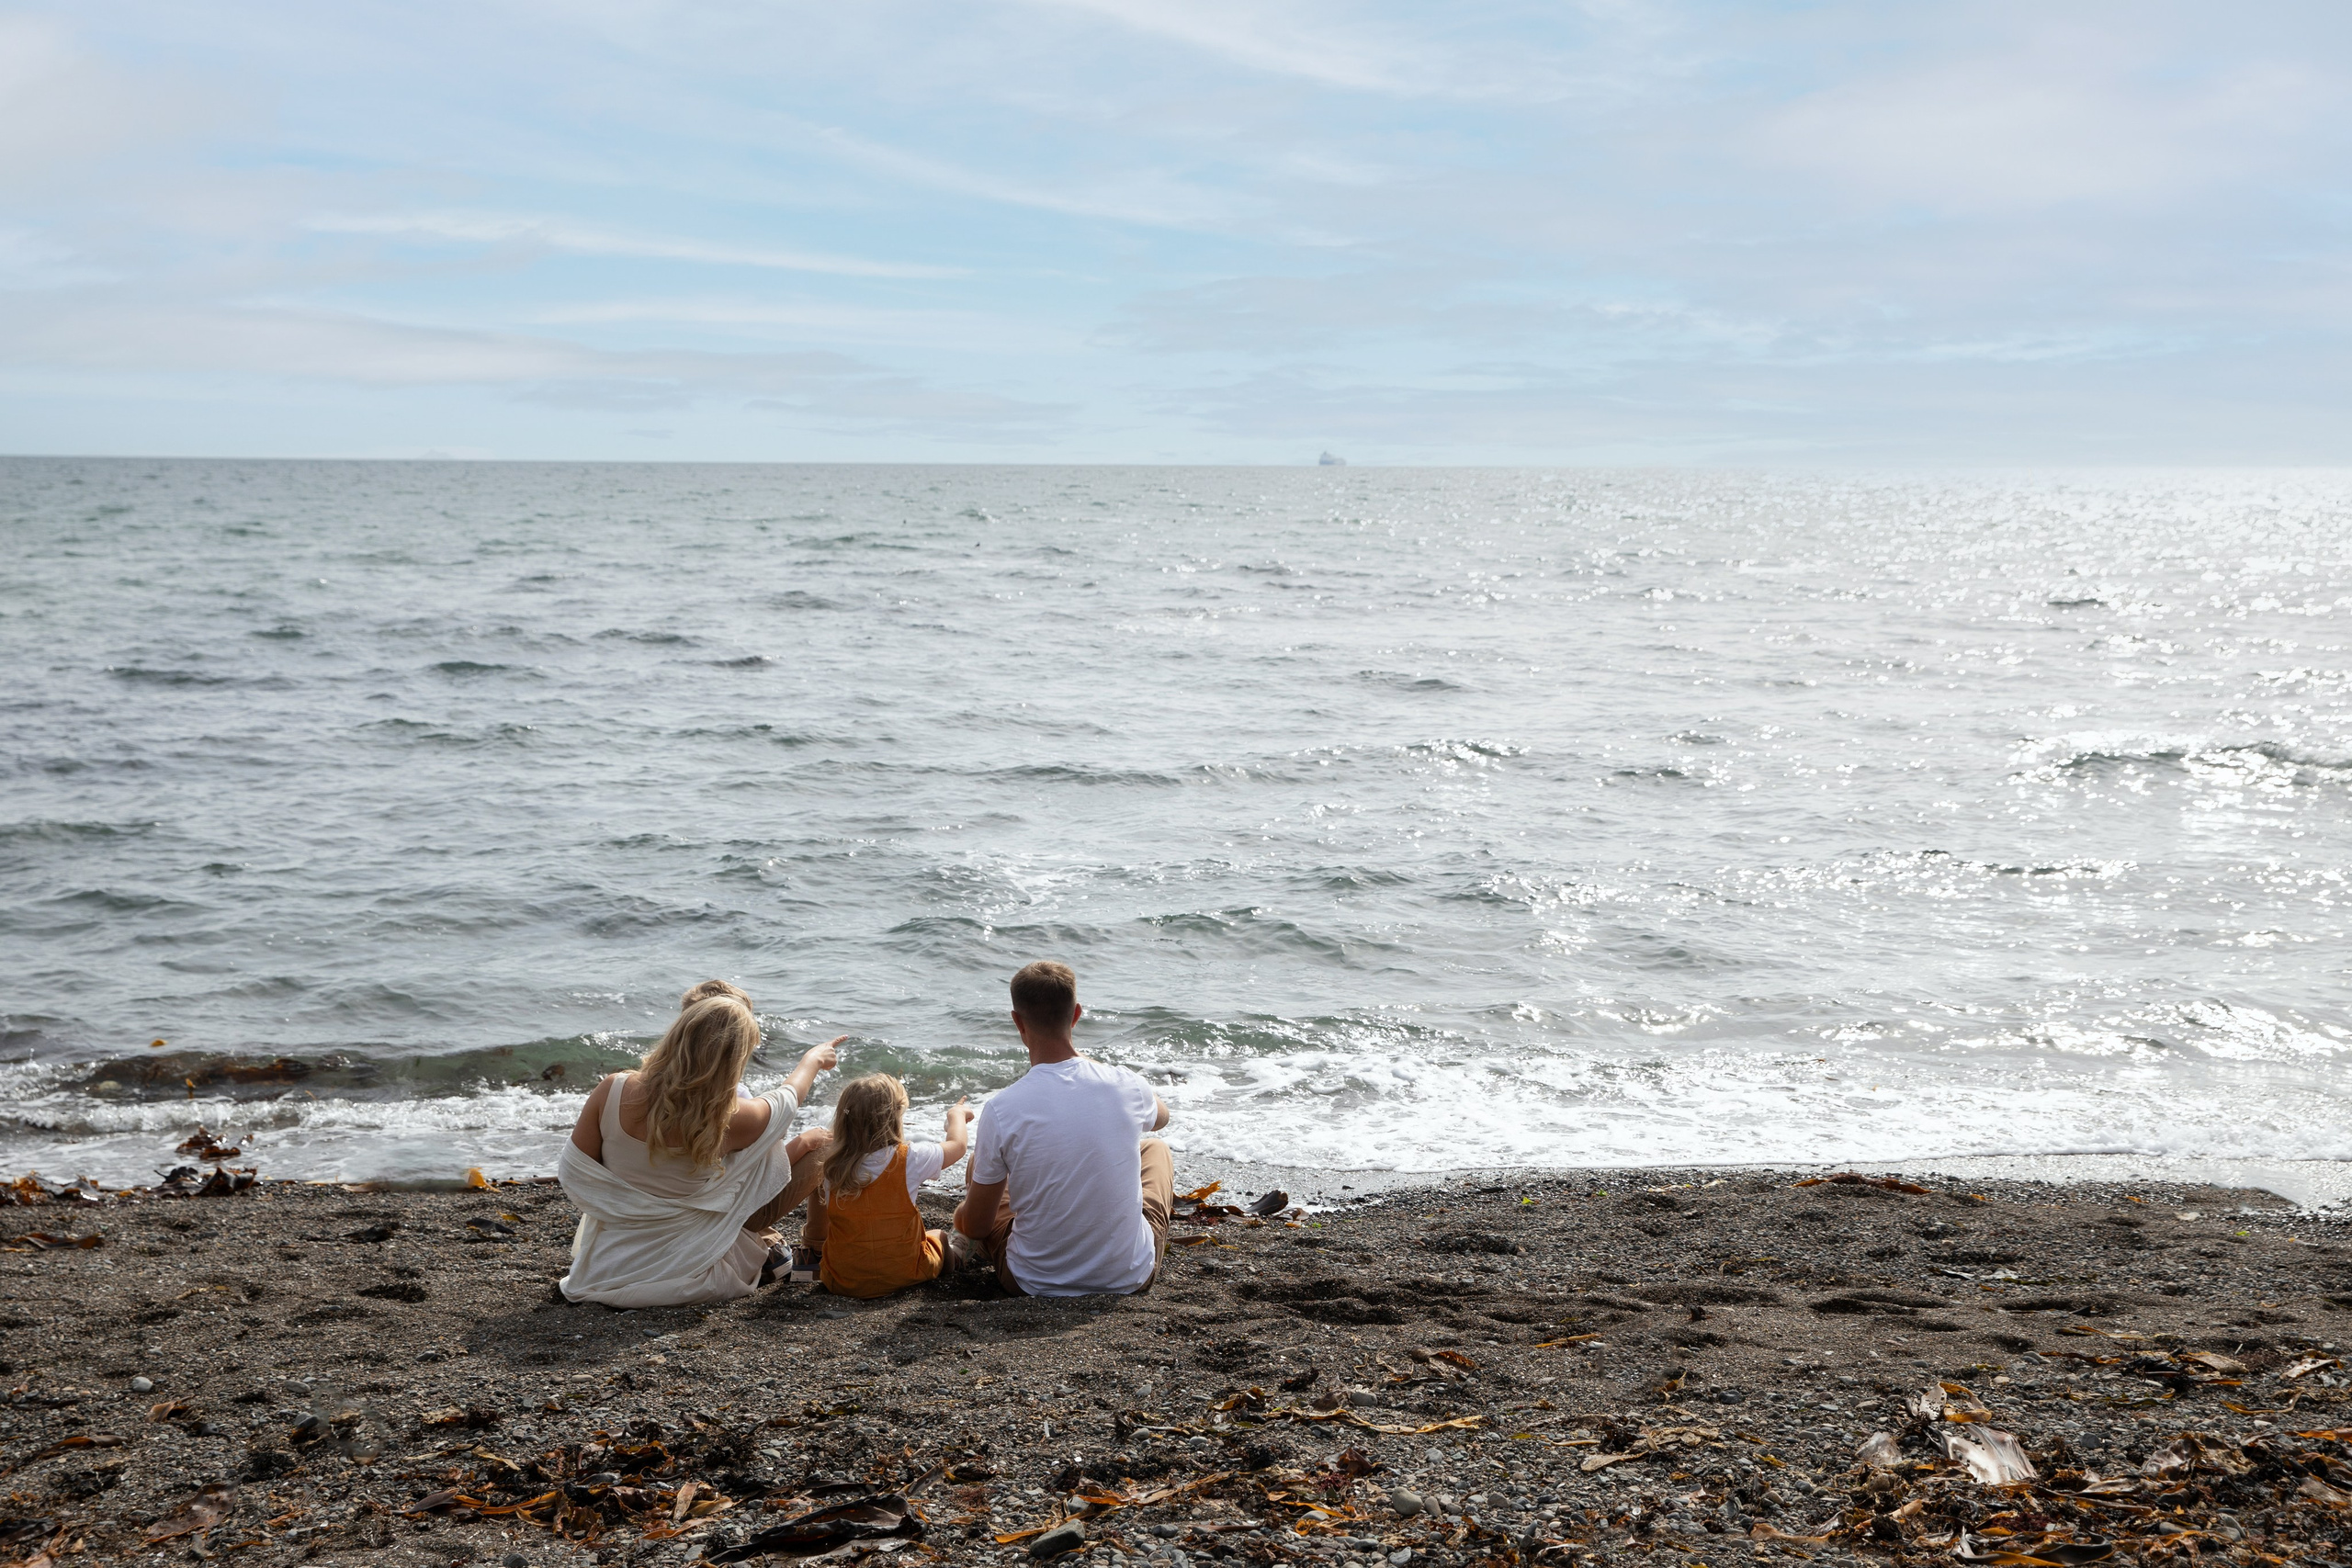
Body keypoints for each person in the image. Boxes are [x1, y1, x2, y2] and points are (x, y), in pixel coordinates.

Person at [557, 984, 840, 1306]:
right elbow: (788, 1097)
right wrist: (813, 1059)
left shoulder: (613, 1089)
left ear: (677, 1033)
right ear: (736, 1056)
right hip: (687, 1260)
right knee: (825, 1144)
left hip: (609, 1260)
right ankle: (814, 1254)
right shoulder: (734, 1116)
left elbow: (576, 1173)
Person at [953, 961, 1173, 1297]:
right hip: (1130, 1276)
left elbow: (978, 1226)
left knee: (980, 1167)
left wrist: (961, 1215)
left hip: (1031, 1281)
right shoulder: (1126, 1083)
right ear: (1077, 1014)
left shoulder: (1002, 1108)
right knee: (1157, 1149)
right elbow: (1161, 1117)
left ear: (1017, 1021)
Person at [801, 1075, 975, 1298]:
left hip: (842, 1279)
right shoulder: (909, 1158)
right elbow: (958, 1146)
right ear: (893, 1119)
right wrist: (956, 1115)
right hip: (906, 1273)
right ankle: (956, 1259)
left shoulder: (832, 1166)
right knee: (939, 1236)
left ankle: (812, 1251)